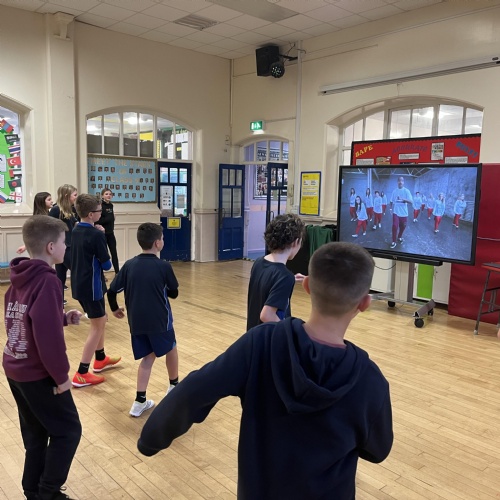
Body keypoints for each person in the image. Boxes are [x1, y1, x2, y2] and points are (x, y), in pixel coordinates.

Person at [137, 242, 393, 499]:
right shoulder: (370, 380)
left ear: (306, 286)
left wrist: (152, 438)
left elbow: (195, 389)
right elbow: (377, 450)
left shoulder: (261, 343)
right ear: (365, 303)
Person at [3, 215, 83, 500]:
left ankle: (32, 489)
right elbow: (48, 339)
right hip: (38, 373)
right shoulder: (48, 280)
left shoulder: (19, 277)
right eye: (64, 242)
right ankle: (47, 493)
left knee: (36, 433)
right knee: (68, 431)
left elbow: (27, 318)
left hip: (15, 367)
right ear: (51, 247)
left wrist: (62, 317)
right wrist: (62, 378)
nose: (66, 247)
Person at [107, 223, 180, 417]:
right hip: (160, 321)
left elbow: (111, 291)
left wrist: (114, 309)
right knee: (171, 348)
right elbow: (174, 293)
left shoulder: (129, 265)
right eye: (162, 238)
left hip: (137, 322)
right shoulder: (163, 266)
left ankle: (139, 401)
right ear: (157, 243)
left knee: (147, 358)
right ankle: (174, 386)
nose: (163, 241)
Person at [70, 194, 121, 387]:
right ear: (91, 214)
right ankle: (82, 372)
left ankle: (100, 358)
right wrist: (101, 235)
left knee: (101, 319)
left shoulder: (76, 229)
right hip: (92, 287)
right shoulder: (96, 235)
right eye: (99, 211)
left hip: (81, 283)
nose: (102, 213)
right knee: (97, 325)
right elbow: (107, 264)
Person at [246, 214, 305, 330]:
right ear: (296, 242)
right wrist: (289, 331)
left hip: (254, 334)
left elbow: (267, 284)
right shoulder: (285, 277)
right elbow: (267, 315)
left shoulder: (259, 262)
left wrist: (289, 280)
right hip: (270, 337)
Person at [49, 184, 78, 304]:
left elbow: (75, 224)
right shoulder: (56, 210)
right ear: (66, 196)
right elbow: (49, 227)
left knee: (60, 277)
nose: (76, 197)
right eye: (74, 195)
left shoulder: (70, 209)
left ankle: (58, 303)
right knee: (77, 272)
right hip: (62, 248)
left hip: (69, 245)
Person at [99, 188, 120, 273]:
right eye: (106, 194)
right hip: (103, 234)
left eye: (110, 194)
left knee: (114, 253)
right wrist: (109, 218)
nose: (108, 196)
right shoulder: (100, 205)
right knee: (104, 254)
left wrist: (112, 218)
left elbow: (110, 217)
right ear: (102, 195)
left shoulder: (111, 205)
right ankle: (102, 274)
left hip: (111, 233)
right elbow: (98, 220)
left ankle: (117, 273)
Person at [389, 176, 413, 249]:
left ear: (403, 182)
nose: (400, 182)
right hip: (396, 212)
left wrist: (403, 199)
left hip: (404, 213)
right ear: (397, 182)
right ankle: (393, 241)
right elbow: (391, 201)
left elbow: (411, 201)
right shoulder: (394, 191)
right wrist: (390, 209)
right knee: (394, 226)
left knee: (403, 227)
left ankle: (399, 237)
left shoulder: (406, 191)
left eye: (402, 181)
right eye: (399, 180)